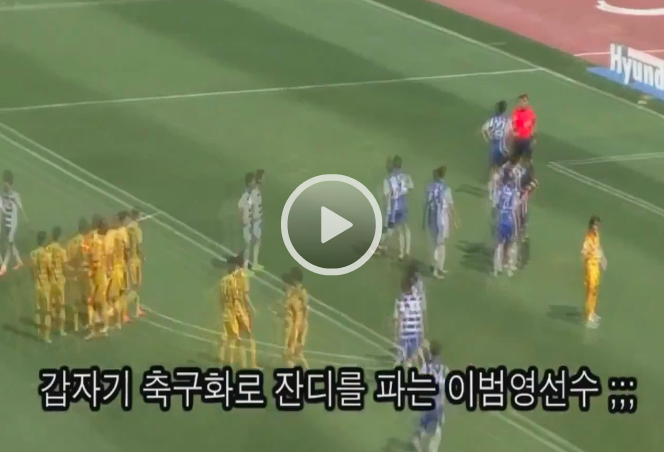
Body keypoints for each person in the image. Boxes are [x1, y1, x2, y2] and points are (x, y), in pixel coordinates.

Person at [423, 166, 458, 279]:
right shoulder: (446, 189)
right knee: (439, 245)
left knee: (439, 244)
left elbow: (426, 205)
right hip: (442, 220)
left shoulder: (429, 188)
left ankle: (440, 267)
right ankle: (435, 270)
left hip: (432, 219)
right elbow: (450, 206)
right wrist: (455, 219)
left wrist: (423, 220)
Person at [412, 340, 446, 452]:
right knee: (435, 434)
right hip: (434, 405)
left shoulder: (429, 367)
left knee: (427, 430)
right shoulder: (440, 368)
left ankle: (417, 440)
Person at [382, 156, 414, 261]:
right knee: (406, 227)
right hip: (403, 204)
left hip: (395, 206)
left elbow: (386, 194)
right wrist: (403, 192)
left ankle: (401, 253)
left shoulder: (389, 178)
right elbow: (411, 187)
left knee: (399, 230)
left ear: (393, 164)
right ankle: (407, 251)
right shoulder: (405, 175)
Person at [0, 170, 28, 275]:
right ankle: (19, 261)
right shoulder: (5, 194)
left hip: (11, 221)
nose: (5, 184)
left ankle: (4, 266)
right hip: (7, 220)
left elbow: (20, 207)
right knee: (10, 242)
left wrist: (25, 218)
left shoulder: (13, 194)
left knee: (10, 242)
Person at [581, 216, 606, 329]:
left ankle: (592, 311)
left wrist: (603, 259)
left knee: (595, 289)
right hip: (590, 266)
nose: (596, 227)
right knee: (591, 289)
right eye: (595, 225)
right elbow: (584, 251)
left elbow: (599, 247)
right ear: (591, 225)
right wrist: (586, 254)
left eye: (597, 225)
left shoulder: (597, 235)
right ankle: (588, 315)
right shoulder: (588, 238)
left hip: (596, 266)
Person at [394, 276, 424, 367]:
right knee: (410, 350)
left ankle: (402, 360)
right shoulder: (416, 299)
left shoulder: (404, 300)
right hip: (414, 330)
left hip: (407, 329)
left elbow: (400, 317)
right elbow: (420, 315)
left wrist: (399, 331)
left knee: (403, 347)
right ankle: (408, 361)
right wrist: (421, 329)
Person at [66, 218, 90, 332]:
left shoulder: (71, 242)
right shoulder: (86, 241)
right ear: (86, 229)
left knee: (76, 300)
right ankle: (86, 321)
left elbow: (66, 260)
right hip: (85, 273)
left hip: (74, 273)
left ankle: (75, 325)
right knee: (86, 298)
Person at [493, 173, 519, 277]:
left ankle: (497, 268)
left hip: (501, 219)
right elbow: (514, 210)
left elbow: (497, 205)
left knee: (499, 245)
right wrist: (516, 227)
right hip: (509, 221)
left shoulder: (501, 190)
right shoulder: (514, 192)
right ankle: (508, 267)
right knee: (508, 245)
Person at [283, 267, 309, 368]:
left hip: (299, 325)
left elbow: (306, 309)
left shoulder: (302, 291)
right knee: (296, 353)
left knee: (290, 353)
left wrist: (302, 325)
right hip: (296, 324)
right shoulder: (294, 290)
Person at [31, 231, 53, 343]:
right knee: (47, 311)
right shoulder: (47, 254)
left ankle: (39, 333)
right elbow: (50, 271)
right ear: (44, 241)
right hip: (46, 285)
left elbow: (32, 270)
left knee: (39, 310)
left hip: (37, 285)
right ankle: (46, 336)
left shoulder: (33, 254)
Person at [482, 100, 511, 181]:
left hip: (495, 146)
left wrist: (487, 138)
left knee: (493, 167)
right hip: (504, 147)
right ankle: (501, 183)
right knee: (503, 167)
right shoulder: (508, 120)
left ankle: (492, 184)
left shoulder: (494, 119)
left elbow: (484, 129)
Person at [46, 226, 68, 336]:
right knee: (61, 306)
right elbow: (65, 266)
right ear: (59, 236)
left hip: (50, 280)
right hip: (59, 280)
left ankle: (50, 327)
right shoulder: (62, 251)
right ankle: (61, 329)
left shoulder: (47, 249)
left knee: (51, 304)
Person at [126, 209, 144, 317]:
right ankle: (122, 306)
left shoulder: (128, 227)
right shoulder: (137, 229)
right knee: (136, 286)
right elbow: (139, 246)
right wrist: (143, 256)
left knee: (134, 286)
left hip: (129, 259)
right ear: (138, 217)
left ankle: (137, 309)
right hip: (135, 259)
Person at [237, 173, 256, 275]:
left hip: (249, 222)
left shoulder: (250, 193)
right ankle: (244, 267)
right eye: (253, 181)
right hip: (246, 223)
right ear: (249, 182)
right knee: (247, 245)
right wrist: (242, 220)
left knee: (247, 245)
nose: (254, 182)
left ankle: (242, 262)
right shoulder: (246, 194)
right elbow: (241, 207)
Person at [511, 94, 536, 159]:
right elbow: (514, 123)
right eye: (520, 102)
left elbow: (533, 122)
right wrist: (515, 132)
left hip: (527, 139)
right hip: (518, 139)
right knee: (515, 157)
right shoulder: (517, 111)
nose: (522, 104)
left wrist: (533, 135)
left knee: (528, 157)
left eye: (524, 101)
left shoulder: (530, 111)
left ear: (527, 102)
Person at [249, 169, 265, 271]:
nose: (264, 179)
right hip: (254, 221)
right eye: (263, 177)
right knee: (254, 242)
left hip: (257, 220)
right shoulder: (255, 192)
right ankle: (251, 264)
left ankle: (255, 263)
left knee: (257, 242)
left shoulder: (257, 191)